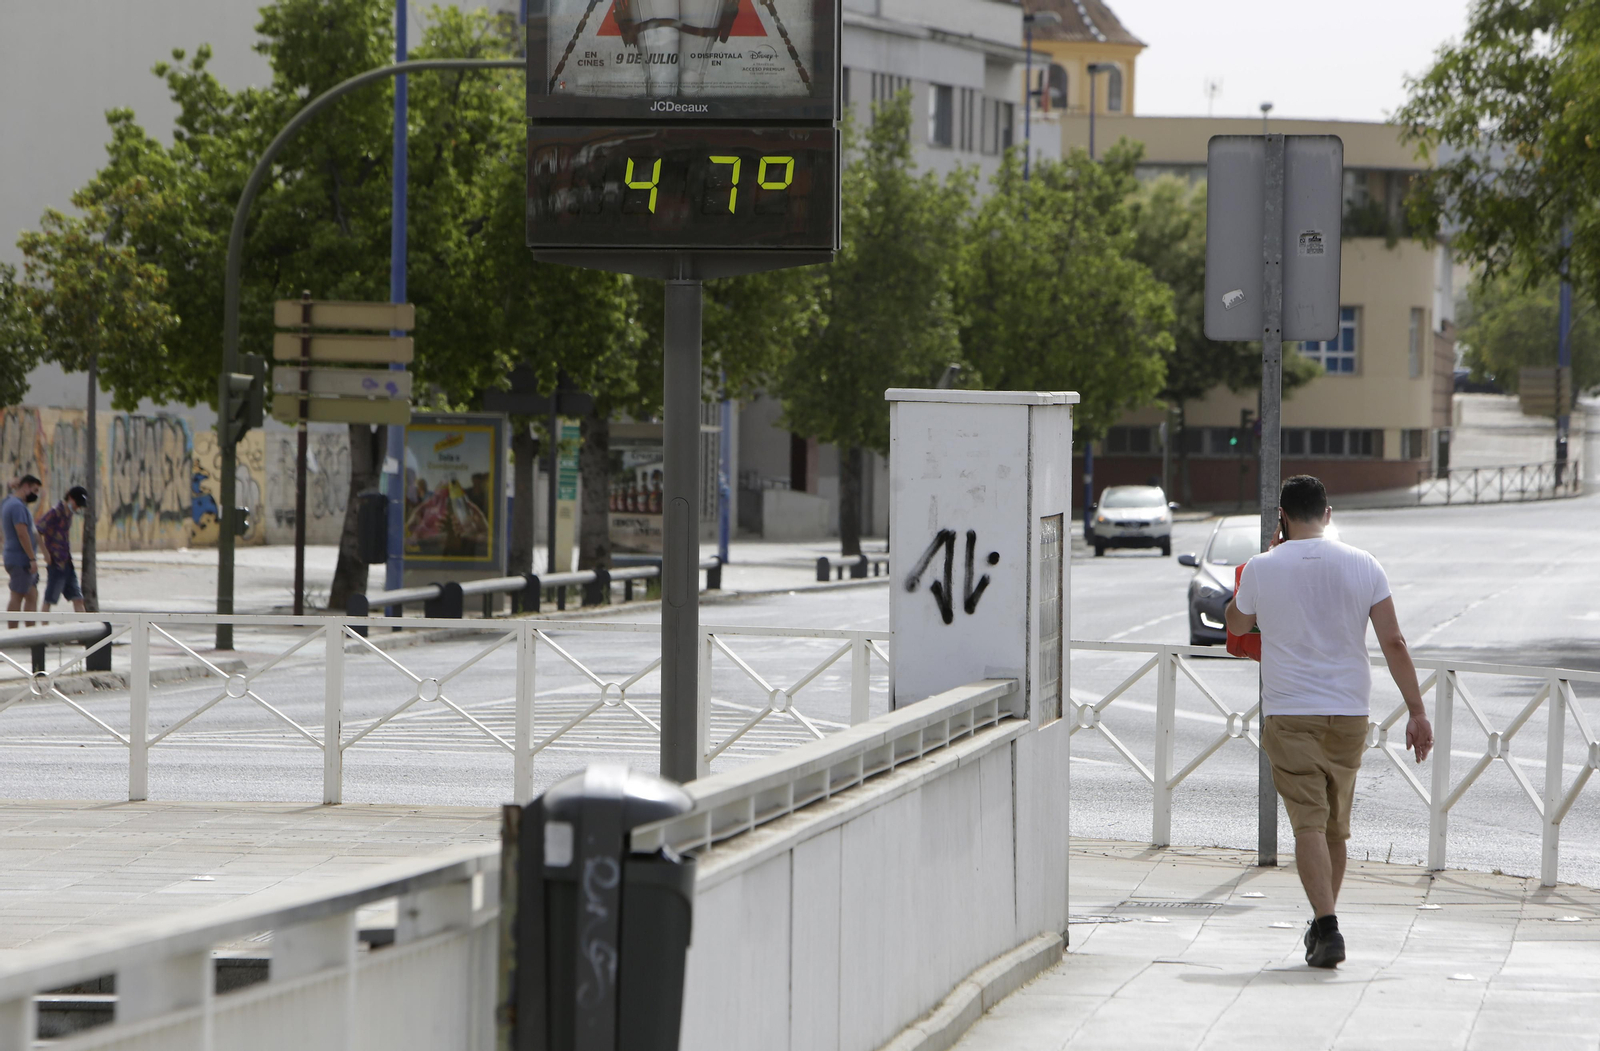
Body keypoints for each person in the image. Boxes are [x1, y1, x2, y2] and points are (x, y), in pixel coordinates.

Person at [1224, 474, 1433, 969]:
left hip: (1290, 712)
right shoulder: (1365, 565)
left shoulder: (1261, 566)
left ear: (1282, 516)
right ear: (1328, 514)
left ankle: (1328, 925)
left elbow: (1234, 624)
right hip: (1349, 713)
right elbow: (1394, 643)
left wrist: (1265, 563)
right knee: (1334, 828)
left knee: (1308, 824)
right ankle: (1324, 925)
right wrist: (1417, 710)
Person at [37, 485, 89, 614]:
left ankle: (83, 628)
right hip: (56, 563)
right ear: (70, 498)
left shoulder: (69, 514)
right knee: (49, 600)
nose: (77, 508)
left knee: (78, 598)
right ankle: (43, 629)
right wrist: (45, 554)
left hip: (67, 562)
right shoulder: (54, 513)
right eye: (77, 504)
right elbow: (37, 531)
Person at [3, 474, 43, 629]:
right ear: (25, 487)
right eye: (34, 490)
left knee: (32, 595)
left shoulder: (10, 503)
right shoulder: (18, 507)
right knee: (17, 595)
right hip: (21, 559)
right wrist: (32, 558)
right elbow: (22, 533)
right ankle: (13, 633)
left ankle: (30, 632)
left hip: (17, 557)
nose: (36, 494)